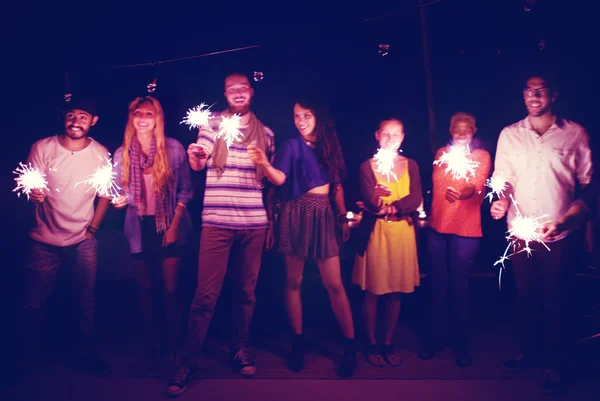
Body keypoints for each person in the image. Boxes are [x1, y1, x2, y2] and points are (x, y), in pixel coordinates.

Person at [167, 72, 275, 397]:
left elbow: (267, 182)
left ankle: (240, 349)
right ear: (225, 94)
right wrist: (195, 157)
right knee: (205, 296)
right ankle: (188, 361)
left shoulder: (266, 133)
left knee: (246, 293)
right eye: (232, 89)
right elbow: (200, 161)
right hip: (216, 221)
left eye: (243, 88)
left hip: (254, 224)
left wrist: (264, 166)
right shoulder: (212, 124)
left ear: (251, 92)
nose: (238, 93)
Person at [490, 74, 592, 394]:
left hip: (558, 235)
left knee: (557, 299)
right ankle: (530, 352)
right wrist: (501, 199)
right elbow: (502, 178)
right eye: (527, 92)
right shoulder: (509, 135)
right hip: (521, 234)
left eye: (539, 91)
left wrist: (565, 222)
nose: (532, 97)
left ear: (554, 94)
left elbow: (588, 189)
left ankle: (558, 363)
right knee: (526, 296)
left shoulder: (575, 134)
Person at [247, 96, 356, 376]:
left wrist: (343, 216)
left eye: (306, 115)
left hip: (323, 213)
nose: (301, 121)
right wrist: (263, 162)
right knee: (293, 282)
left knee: (335, 284)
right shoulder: (290, 146)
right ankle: (298, 343)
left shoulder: (330, 148)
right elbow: (280, 179)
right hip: (295, 213)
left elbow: (338, 186)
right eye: (296, 116)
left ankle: (350, 346)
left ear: (317, 116)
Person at [19, 96, 112, 377]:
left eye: (83, 116)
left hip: (82, 241)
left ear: (93, 121)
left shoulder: (100, 153)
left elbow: (105, 194)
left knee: (84, 300)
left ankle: (85, 354)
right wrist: (32, 194)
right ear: (64, 117)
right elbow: (28, 186)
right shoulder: (42, 147)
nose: (76, 121)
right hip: (43, 240)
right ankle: (25, 358)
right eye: (71, 115)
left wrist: (92, 229)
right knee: (33, 302)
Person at [112, 96, 193, 369]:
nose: (143, 118)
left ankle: (173, 345)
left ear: (157, 117)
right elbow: (118, 192)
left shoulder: (173, 148)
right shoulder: (121, 153)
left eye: (149, 113)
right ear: (131, 117)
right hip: (138, 226)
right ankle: (152, 344)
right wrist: (119, 200)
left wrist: (172, 226)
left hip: (169, 223)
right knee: (145, 288)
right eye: (138, 113)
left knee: (170, 290)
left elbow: (185, 190)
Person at [418, 112, 491, 367]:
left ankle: (460, 342)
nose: (462, 134)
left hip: (467, 230)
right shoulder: (441, 154)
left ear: (475, 130)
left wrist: (461, 193)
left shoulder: (481, 156)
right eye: (457, 130)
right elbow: (437, 185)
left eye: (467, 129)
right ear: (450, 130)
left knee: (459, 287)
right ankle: (435, 338)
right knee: (437, 285)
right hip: (438, 228)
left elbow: (477, 185)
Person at [353, 118, 422, 368]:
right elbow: (370, 203)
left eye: (395, 134)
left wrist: (393, 206)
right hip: (376, 235)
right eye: (385, 133)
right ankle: (371, 343)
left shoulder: (410, 165)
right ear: (377, 135)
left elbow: (415, 197)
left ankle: (388, 343)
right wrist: (375, 198)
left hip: (403, 234)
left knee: (395, 293)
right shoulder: (366, 167)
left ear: (403, 137)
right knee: (373, 291)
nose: (390, 138)